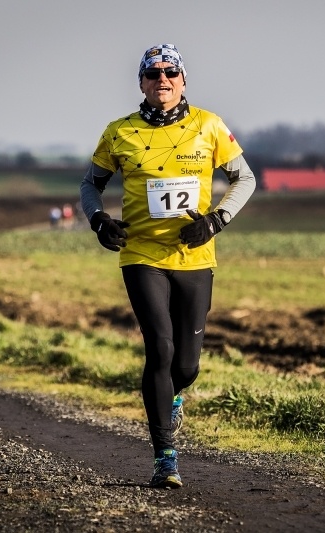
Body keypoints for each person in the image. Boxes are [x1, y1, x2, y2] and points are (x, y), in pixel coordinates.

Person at [79, 43, 256, 489]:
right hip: (141, 255)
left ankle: (172, 398)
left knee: (187, 367)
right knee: (159, 348)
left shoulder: (209, 126)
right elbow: (89, 184)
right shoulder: (120, 132)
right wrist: (99, 220)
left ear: (182, 81)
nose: (162, 80)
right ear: (140, 82)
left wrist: (216, 220)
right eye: (153, 73)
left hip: (196, 257)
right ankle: (165, 457)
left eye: (170, 73)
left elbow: (245, 179)